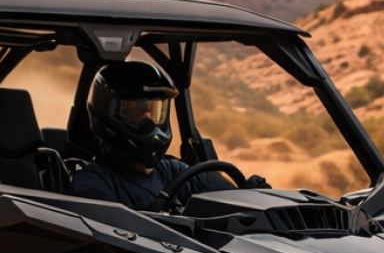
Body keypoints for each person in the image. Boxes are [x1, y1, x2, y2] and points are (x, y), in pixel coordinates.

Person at [71, 61, 268, 210]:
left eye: (155, 110)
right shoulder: (91, 182)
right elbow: (120, 235)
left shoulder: (174, 171)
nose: (150, 122)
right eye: (133, 110)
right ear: (106, 113)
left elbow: (232, 203)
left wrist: (255, 198)